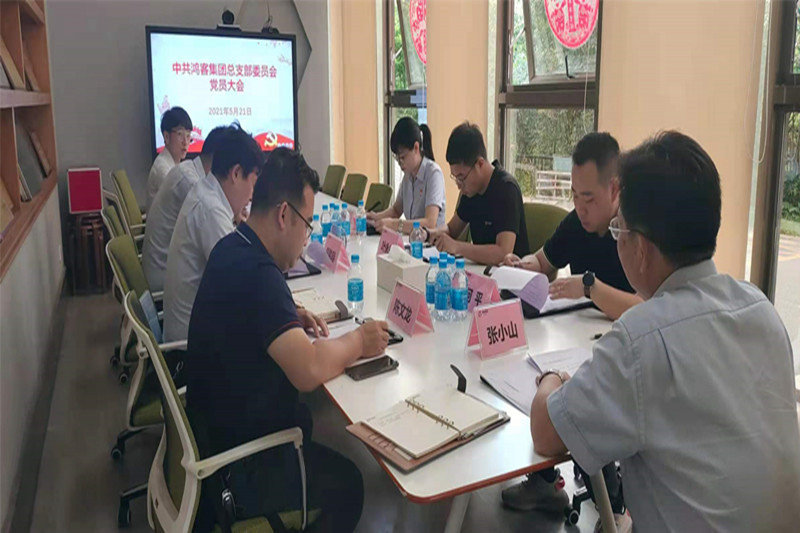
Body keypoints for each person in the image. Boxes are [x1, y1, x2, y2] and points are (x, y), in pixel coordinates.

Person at [530, 131, 800, 532]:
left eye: (620, 230)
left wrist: (551, 379)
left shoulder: (640, 341)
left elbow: (545, 433)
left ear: (640, 248)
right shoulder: (760, 309)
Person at [186, 147, 389, 531]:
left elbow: (247, 314)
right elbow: (309, 370)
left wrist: (286, 315)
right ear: (283, 215)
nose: (306, 239)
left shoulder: (233, 246)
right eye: (307, 225)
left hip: (213, 432)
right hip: (239, 466)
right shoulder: (260, 275)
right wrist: (360, 341)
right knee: (350, 486)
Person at [502, 133, 642, 321]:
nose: (580, 208)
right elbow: (542, 262)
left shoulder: (636, 231)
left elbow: (643, 309)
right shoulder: (576, 223)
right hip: (578, 331)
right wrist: (520, 265)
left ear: (614, 189)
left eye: (588, 199)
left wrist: (589, 287)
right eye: (575, 195)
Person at [162, 123, 263, 342]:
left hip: (195, 329)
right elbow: (241, 284)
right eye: (253, 185)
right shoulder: (211, 210)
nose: (251, 196)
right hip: (189, 347)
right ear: (236, 173)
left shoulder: (206, 193)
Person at [142, 125, 233, 292]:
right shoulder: (192, 184)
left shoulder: (187, 170)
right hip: (162, 278)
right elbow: (228, 256)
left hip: (163, 267)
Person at [427, 122, 529, 265]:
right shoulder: (471, 191)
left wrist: (457, 247)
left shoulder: (506, 189)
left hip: (510, 274)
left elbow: (503, 252)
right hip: (480, 271)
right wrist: (430, 233)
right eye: (455, 178)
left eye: (461, 177)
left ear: (480, 163)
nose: (459, 186)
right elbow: (451, 229)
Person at [366, 117, 446, 233]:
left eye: (403, 157)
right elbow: (396, 210)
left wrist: (394, 224)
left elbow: (430, 223)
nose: (400, 163)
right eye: (397, 158)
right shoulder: (408, 175)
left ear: (416, 148)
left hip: (430, 242)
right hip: (412, 239)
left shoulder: (433, 174)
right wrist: (375, 217)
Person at [146, 106, 192, 209]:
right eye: (180, 134)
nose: (185, 142)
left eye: (188, 135)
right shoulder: (163, 169)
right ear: (166, 136)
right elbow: (183, 202)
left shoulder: (174, 163)